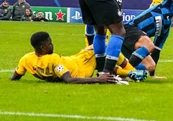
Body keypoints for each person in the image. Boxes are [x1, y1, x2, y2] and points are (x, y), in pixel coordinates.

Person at [10, 32, 138, 84]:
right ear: (42, 48)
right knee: (105, 47)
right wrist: (98, 79)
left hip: (75, 58)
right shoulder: (53, 59)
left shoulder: (26, 59)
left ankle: (127, 74)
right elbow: (69, 80)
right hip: (81, 67)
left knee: (102, 58)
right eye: (50, 43)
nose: (52, 45)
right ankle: (132, 72)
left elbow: (15, 76)